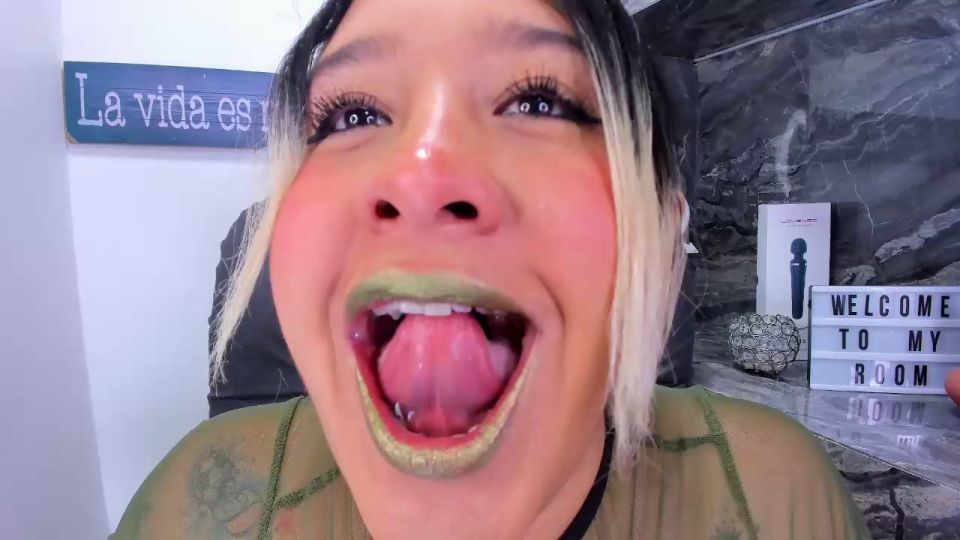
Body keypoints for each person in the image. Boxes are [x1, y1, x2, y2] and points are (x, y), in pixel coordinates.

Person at [111, 0, 869, 538]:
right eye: (354, 116)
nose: (421, 176)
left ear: (666, 228)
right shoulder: (199, 508)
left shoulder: (775, 498)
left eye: (539, 102)